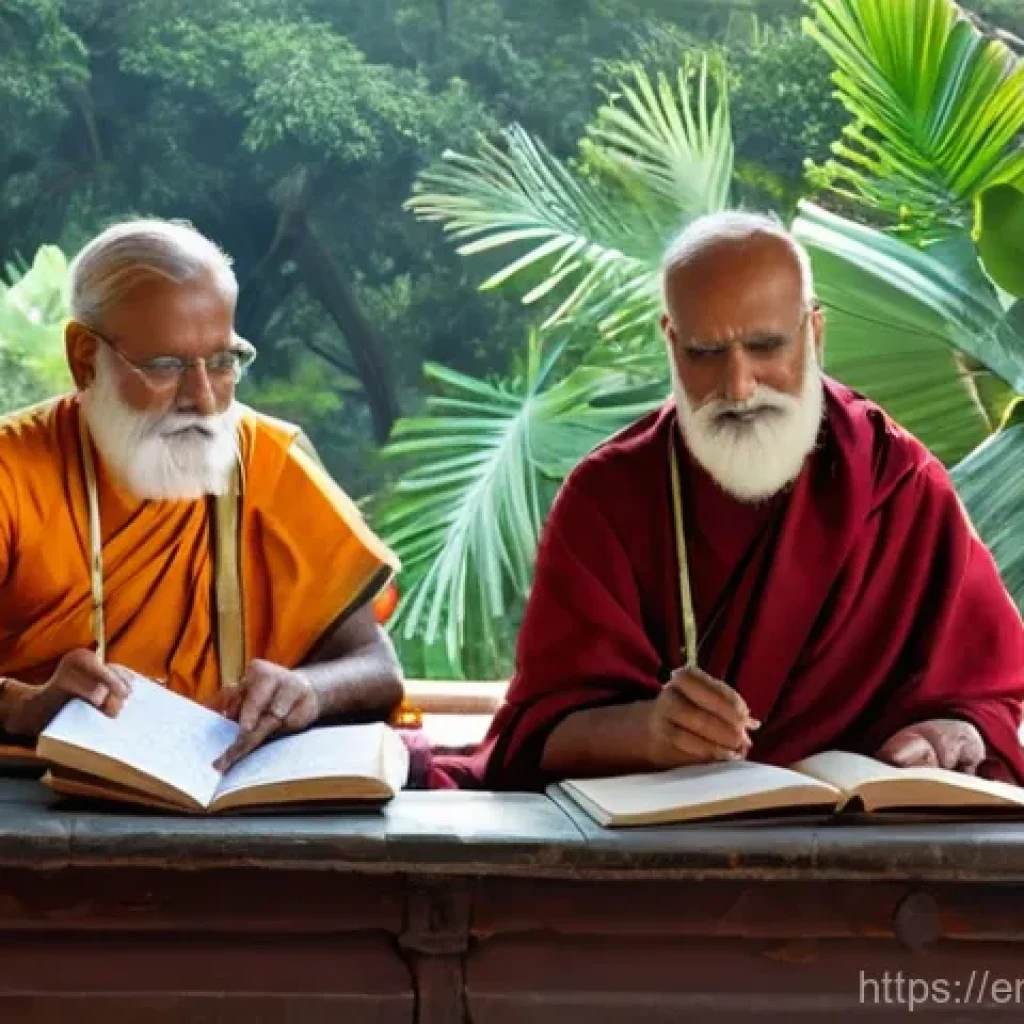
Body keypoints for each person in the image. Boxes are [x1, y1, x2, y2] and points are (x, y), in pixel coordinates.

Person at [435, 210, 1024, 790]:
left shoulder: (895, 477)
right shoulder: (607, 496)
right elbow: (534, 739)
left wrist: (949, 734)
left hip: (864, 858)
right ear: (670, 340)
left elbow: (987, 697)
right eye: (705, 353)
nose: (739, 387)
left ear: (814, 332)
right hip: (661, 866)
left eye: (766, 346)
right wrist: (645, 734)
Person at [0, 218, 403, 772]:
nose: (204, 398)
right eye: (165, 366)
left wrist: (308, 690)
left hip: (229, 801)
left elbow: (377, 666)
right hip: (35, 803)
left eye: (221, 362)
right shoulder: (11, 472)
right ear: (83, 357)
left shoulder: (269, 462)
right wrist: (25, 705)